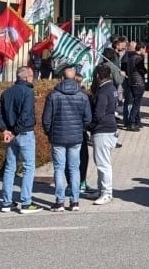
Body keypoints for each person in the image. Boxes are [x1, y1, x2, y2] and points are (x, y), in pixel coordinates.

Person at [42, 65, 92, 212]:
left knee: (59, 168)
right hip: (76, 137)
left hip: (58, 137)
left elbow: (46, 119)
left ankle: (60, 201)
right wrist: (80, 129)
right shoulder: (82, 95)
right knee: (74, 168)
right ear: (75, 77)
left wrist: (49, 133)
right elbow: (88, 118)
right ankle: (75, 201)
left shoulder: (53, 95)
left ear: (62, 78)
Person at [0, 66, 42, 214]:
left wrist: (5, 130)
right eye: (31, 75)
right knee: (28, 167)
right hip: (24, 133)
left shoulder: (6, 92)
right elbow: (26, 114)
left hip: (11, 134)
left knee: (10, 168)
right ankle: (26, 202)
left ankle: (7, 202)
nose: (33, 78)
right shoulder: (27, 92)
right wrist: (13, 131)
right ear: (25, 77)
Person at [89, 64, 118, 205]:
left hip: (102, 130)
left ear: (98, 76)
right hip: (110, 128)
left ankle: (107, 192)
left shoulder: (102, 92)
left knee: (103, 164)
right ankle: (101, 189)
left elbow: (98, 114)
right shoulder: (111, 88)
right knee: (102, 162)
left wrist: (90, 126)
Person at [122, 42, 147, 131]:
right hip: (138, 83)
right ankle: (131, 122)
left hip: (131, 82)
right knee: (137, 104)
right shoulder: (139, 59)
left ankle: (136, 121)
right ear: (141, 49)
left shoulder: (130, 58)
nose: (146, 51)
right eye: (145, 49)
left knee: (135, 103)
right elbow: (142, 70)